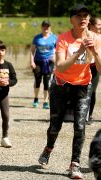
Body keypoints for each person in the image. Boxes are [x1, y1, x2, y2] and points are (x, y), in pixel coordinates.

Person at [38, 4, 101, 179]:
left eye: (86, 16)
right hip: (61, 84)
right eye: (79, 16)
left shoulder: (96, 38)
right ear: (71, 19)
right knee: (55, 126)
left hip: (83, 86)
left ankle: (75, 164)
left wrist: (95, 53)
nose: (83, 19)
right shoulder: (64, 39)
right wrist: (80, 51)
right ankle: (49, 147)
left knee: (80, 126)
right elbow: (61, 66)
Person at [30, 20, 57, 109]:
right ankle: (36, 98)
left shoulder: (54, 38)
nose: (46, 28)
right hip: (38, 61)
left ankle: (45, 101)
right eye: (44, 26)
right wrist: (32, 61)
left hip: (49, 62)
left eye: (48, 26)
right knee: (37, 80)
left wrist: (55, 58)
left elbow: (59, 50)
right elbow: (32, 51)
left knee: (46, 81)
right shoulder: (37, 38)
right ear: (41, 27)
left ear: (50, 27)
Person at [86, 16, 101, 125]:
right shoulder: (88, 34)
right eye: (99, 24)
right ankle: (81, 114)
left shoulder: (99, 36)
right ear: (91, 25)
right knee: (84, 91)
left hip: (96, 66)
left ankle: (89, 115)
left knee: (93, 91)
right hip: (86, 66)